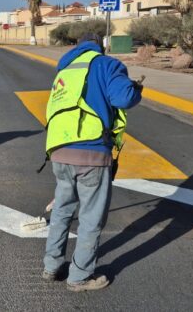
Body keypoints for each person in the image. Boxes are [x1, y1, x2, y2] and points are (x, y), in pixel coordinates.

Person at [41, 33, 142, 291]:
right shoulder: (106, 64)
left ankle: (51, 266)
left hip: (59, 151)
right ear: (102, 45)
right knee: (91, 217)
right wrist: (135, 88)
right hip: (91, 153)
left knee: (63, 209)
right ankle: (79, 277)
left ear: (77, 46)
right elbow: (123, 98)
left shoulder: (65, 68)